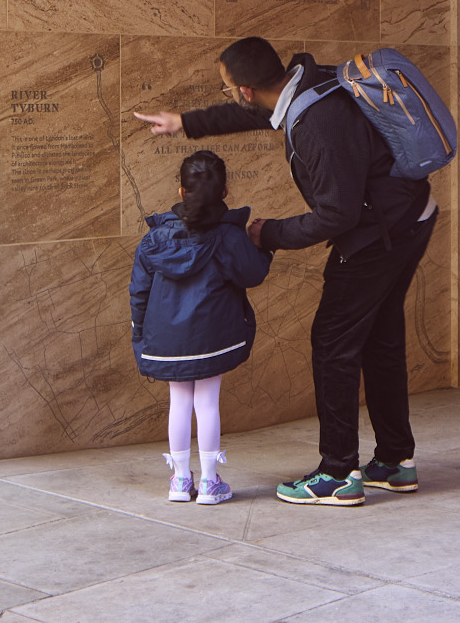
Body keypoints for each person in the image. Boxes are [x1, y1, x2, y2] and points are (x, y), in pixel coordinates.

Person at [134, 37, 436, 507]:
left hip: (382, 232)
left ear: (246, 90)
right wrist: (185, 122)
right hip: (408, 216)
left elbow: (337, 215)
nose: (234, 97)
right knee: (380, 337)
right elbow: (257, 115)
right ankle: (396, 461)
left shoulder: (318, 124)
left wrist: (269, 233)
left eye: (230, 89)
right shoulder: (307, 84)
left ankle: (338, 473)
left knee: (332, 342)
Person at [129, 149, 272, 506]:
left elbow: (139, 292)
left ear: (181, 191)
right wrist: (263, 247)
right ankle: (209, 482)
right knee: (207, 403)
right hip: (213, 336)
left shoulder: (154, 239)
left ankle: (180, 481)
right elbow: (253, 273)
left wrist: (140, 333)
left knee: (179, 402)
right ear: (224, 192)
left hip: (167, 339)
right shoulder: (229, 237)